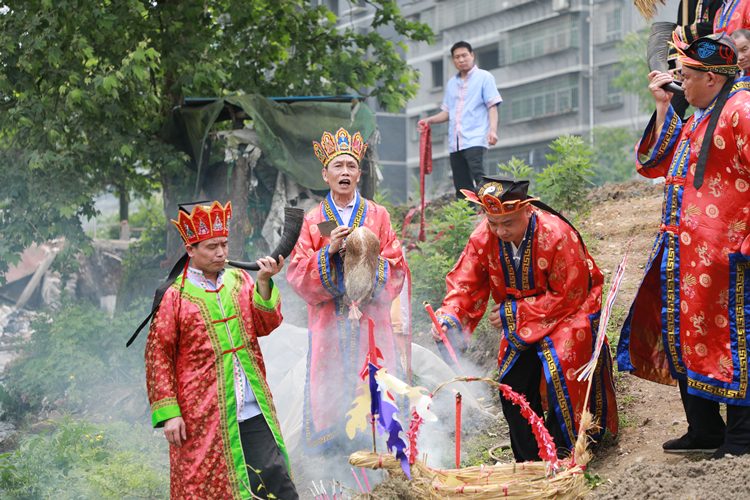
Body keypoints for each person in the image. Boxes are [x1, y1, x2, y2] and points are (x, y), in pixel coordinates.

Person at [617, 33, 750, 459]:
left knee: (735, 342)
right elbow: (653, 164)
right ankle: (705, 429)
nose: (680, 83)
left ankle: (742, 438)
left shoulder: (742, 109)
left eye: (686, 75)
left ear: (712, 77)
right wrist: (661, 106)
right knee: (688, 337)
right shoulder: (700, 112)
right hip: (688, 254)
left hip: (731, 256)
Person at [430, 176, 618, 462]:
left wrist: (514, 312)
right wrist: (449, 317)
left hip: (570, 312)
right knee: (512, 386)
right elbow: (465, 283)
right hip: (522, 324)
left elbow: (571, 293)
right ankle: (529, 459)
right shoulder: (484, 237)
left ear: (527, 211)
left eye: (508, 223)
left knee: (562, 368)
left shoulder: (556, 233)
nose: (499, 231)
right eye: (493, 223)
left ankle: (567, 451)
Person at [145, 200, 298, 499]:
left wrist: (264, 281)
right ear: (191, 249)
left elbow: (265, 324)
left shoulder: (239, 280)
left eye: (224, 245)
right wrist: (170, 414)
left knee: (276, 483)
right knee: (207, 487)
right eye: (211, 246)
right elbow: (158, 357)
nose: (221, 253)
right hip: (201, 414)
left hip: (251, 408)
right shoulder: (174, 296)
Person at [286, 128, 408, 476]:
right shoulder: (312, 221)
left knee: (374, 398)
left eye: (350, 165)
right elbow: (296, 275)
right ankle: (335, 478)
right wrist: (329, 252)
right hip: (328, 328)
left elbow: (398, 267)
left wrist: (365, 254)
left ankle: (382, 477)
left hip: (372, 325)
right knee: (332, 405)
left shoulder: (378, 216)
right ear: (325, 174)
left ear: (359, 173)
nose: (344, 172)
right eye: (336, 165)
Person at [418, 41, 502, 200]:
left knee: (479, 175)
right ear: (453, 60)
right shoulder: (451, 83)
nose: (461, 59)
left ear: (472, 55)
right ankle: (467, 216)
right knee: (461, 184)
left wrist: (493, 130)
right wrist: (429, 120)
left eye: (464, 55)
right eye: (457, 57)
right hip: (455, 142)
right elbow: (447, 113)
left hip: (475, 137)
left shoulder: (484, 77)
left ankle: (490, 211)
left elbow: (492, 106)